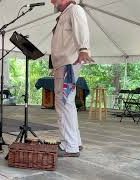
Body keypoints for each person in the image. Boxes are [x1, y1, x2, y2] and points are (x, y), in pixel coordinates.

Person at [50, 0, 94, 157]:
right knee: (65, 102)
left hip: (68, 62)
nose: (52, 2)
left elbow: (82, 28)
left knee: (64, 102)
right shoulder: (65, 14)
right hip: (62, 64)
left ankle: (69, 146)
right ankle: (73, 141)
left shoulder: (74, 9)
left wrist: (84, 49)